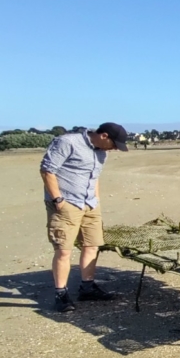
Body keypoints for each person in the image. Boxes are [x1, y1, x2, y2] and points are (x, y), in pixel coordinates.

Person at [40, 123, 128, 312]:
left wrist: (96, 200)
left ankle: (87, 288)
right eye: (114, 144)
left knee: (92, 245)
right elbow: (47, 170)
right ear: (104, 136)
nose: (114, 149)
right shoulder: (67, 142)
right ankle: (61, 294)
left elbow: (94, 177)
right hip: (67, 204)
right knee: (63, 250)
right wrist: (58, 200)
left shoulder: (102, 153)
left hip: (90, 204)